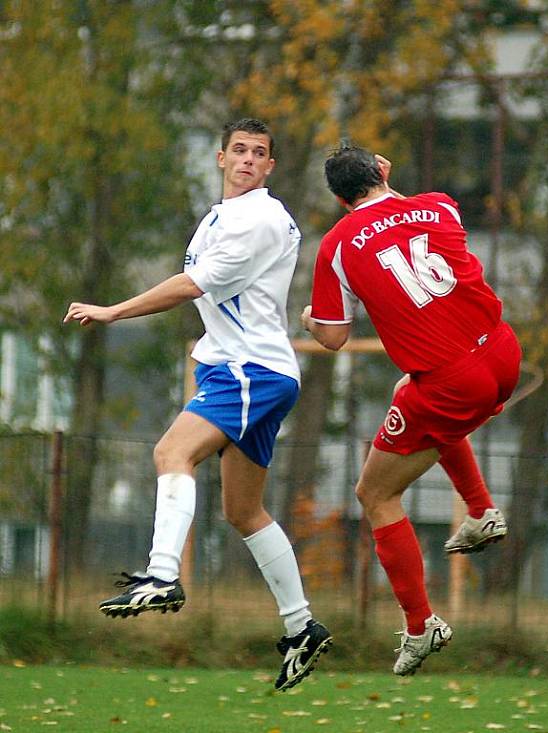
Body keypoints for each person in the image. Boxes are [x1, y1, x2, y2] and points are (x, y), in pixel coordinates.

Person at [63, 118, 331, 691]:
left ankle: (162, 573)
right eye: (239, 150)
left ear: (270, 167)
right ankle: (302, 626)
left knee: (170, 453)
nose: (248, 160)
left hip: (249, 370)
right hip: (251, 369)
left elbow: (191, 286)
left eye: (259, 153)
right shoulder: (225, 216)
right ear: (220, 157)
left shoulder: (256, 219)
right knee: (243, 511)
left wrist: (112, 311)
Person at [301, 145, 522, 676]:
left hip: (452, 382)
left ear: (337, 198)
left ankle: (421, 626)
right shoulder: (441, 205)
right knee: (413, 393)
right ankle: (480, 509)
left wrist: (311, 319)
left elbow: (333, 339)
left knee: (374, 494)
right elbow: (409, 229)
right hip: (502, 352)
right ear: (382, 171)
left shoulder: (336, 245)